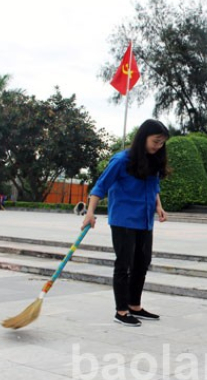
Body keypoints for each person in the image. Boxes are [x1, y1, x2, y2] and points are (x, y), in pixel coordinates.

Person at [82, 119, 170, 327]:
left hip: (145, 220)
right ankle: (121, 311)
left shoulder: (153, 161)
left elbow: (154, 186)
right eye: (155, 141)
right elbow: (100, 186)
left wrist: (159, 206)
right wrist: (90, 212)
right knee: (124, 264)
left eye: (161, 143)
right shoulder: (121, 161)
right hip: (124, 220)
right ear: (143, 137)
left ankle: (134, 305)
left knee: (142, 263)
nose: (158, 146)